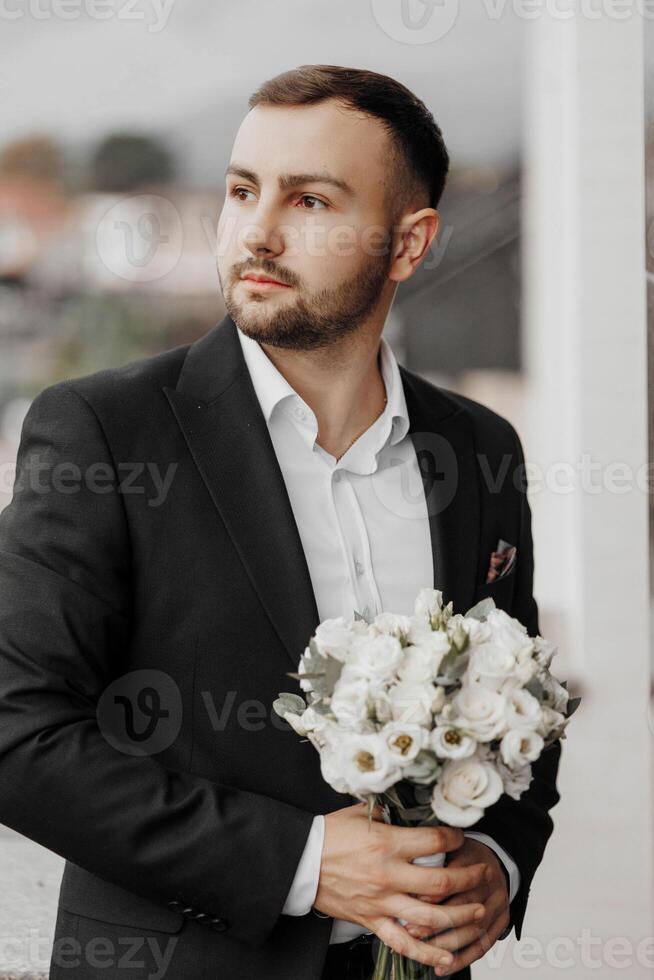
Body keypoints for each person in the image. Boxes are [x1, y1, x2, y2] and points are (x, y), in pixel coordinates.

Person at [0, 65, 561, 980]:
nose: (256, 232)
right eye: (240, 191)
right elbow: (16, 732)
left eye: (309, 200)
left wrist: (499, 865)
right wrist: (302, 863)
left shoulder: (480, 449)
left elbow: (525, 722)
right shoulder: (105, 431)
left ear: (408, 242)